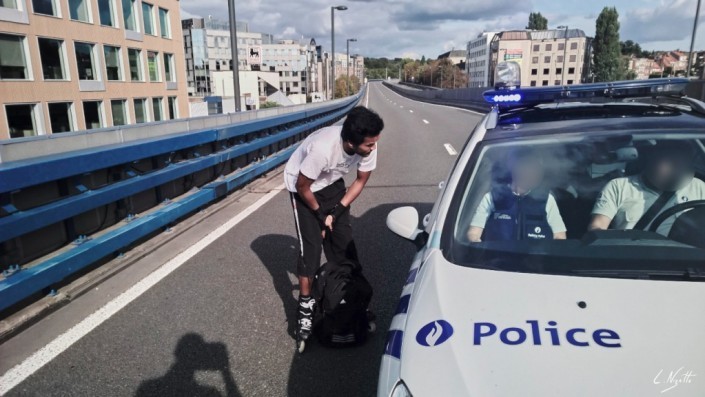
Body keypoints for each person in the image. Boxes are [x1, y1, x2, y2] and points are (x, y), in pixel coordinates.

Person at [284, 106, 384, 343]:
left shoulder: (368, 145)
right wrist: (320, 215)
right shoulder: (323, 149)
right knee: (311, 251)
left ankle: (349, 299)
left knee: (344, 245)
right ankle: (306, 307)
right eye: (369, 145)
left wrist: (337, 211)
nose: (373, 148)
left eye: (374, 143)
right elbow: (302, 186)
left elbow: (360, 181)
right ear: (351, 142)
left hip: (331, 182)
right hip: (302, 185)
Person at [589, 140, 705, 235]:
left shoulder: (700, 187)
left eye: (687, 165)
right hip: (633, 258)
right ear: (652, 158)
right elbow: (597, 229)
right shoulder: (619, 187)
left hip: (686, 259)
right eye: (673, 163)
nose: (679, 171)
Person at [468, 147, 567, 242]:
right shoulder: (493, 196)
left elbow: (560, 235)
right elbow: (474, 232)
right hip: (496, 257)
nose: (531, 172)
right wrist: (478, 245)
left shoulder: (546, 199)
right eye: (526, 166)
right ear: (514, 168)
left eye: (534, 168)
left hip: (536, 257)